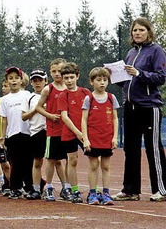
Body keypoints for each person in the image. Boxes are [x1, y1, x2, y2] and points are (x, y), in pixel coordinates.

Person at [114, 17, 166, 202]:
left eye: (141, 30)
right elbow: (128, 82)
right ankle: (131, 190)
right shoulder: (130, 53)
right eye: (135, 30)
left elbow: (161, 77)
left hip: (149, 106)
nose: (137, 33)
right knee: (131, 149)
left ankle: (162, 189)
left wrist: (139, 73)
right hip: (130, 107)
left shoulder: (157, 51)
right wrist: (116, 76)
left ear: (149, 32)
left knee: (153, 148)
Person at [81, 67, 119, 205]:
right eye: (98, 80)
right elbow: (83, 120)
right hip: (93, 138)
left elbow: (115, 118)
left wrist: (115, 137)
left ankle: (106, 194)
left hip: (107, 137)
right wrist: (85, 139)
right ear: (92, 82)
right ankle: (92, 193)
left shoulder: (111, 97)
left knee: (106, 166)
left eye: (105, 80)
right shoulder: (88, 98)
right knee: (93, 165)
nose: (102, 83)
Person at [35, 58, 71, 201]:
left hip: (68, 130)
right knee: (51, 159)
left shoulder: (70, 88)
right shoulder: (48, 89)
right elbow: (38, 107)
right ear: (50, 72)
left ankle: (67, 187)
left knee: (69, 159)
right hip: (53, 131)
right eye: (54, 71)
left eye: (60, 71)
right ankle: (49, 187)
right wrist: (49, 115)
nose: (57, 74)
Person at [57, 62, 90, 203]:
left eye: (72, 77)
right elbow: (64, 116)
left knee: (95, 160)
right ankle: (74, 190)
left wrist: (85, 133)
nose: (69, 81)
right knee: (72, 161)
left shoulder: (86, 93)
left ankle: (93, 190)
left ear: (77, 76)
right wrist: (77, 132)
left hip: (86, 133)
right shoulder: (62, 95)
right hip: (70, 133)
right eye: (66, 78)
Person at [0, 67, 32, 199]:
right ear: (7, 80)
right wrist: (3, 136)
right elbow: (4, 119)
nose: (14, 81)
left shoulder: (27, 95)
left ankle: (30, 187)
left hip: (27, 133)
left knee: (28, 162)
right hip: (12, 135)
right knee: (15, 163)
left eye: (16, 78)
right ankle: (15, 188)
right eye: (11, 78)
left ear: (21, 80)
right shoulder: (5, 99)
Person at [21, 68, 48, 200]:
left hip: (50, 132)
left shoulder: (51, 94)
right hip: (36, 132)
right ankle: (36, 188)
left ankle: (64, 188)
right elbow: (24, 116)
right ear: (31, 83)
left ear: (45, 81)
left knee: (56, 162)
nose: (37, 83)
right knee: (37, 162)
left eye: (40, 80)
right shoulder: (29, 98)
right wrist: (37, 110)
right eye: (35, 81)